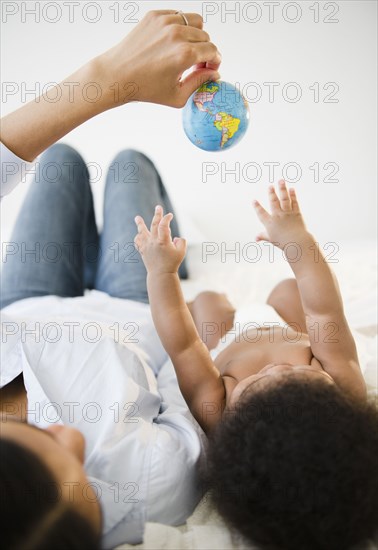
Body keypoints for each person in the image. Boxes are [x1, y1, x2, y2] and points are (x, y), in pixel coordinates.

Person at [0, 9, 224, 548]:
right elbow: (185, 380)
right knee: (127, 165)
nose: (74, 437)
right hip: (133, 303)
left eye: (43, 440)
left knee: (60, 161)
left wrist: (109, 75)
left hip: (23, 303)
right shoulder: (152, 489)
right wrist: (179, 295)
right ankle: (172, 247)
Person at [133, 181, 378, 550]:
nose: (277, 369)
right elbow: (323, 309)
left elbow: (183, 346)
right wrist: (296, 239)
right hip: (288, 325)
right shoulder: (343, 382)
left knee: (208, 300)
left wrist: (161, 273)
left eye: (258, 383)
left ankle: (217, 303)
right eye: (299, 374)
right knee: (289, 289)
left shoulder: (218, 408)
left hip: (227, 337)